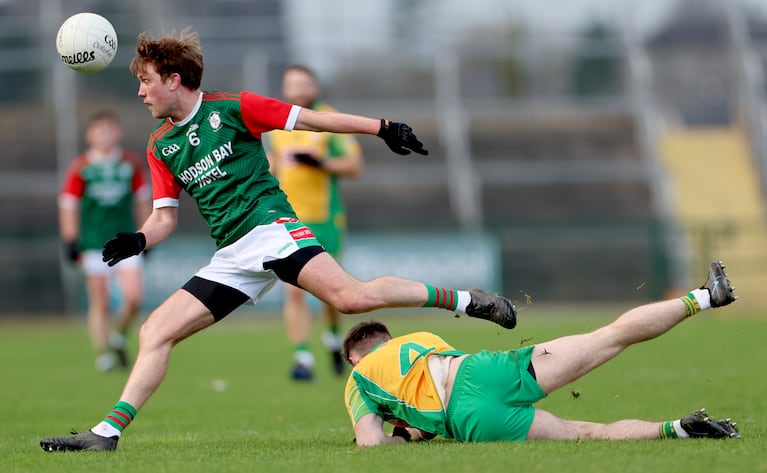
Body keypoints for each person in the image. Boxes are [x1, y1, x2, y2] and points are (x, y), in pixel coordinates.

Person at [39, 28, 516, 453]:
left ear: (173, 79)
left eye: (145, 80)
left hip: (271, 230)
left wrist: (382, 127)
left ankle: (467, 300)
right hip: (230, 254)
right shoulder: (160, 145)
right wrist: (140, 239)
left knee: (353, 298)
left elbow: (310, 119)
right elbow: (163, 219)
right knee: (154, 332)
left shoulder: (234, 108)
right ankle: (108, 434)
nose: (141, 92)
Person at [343, 261, 741, 445]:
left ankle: (678, 429)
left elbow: (371, 444)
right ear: (386, 336)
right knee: (610, 336)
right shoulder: (419, 339)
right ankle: (703, 297)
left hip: (469, 417)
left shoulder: (359, 380)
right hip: (483, 371)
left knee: (583, 433)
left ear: (355, 359)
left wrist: (407, 439)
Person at [265, 65, 364, 380]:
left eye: (303, 81)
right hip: (288, 218)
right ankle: (302, 357)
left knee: (331, 292)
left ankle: (334, 339)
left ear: (315, 86)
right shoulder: (276, 125)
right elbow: (271, 167)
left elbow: (354, 165)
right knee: (293, 289)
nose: (297, 87)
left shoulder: (328, 119)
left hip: (325, 218)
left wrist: (321, 163)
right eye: (291, 82)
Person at [58, 111, 151, 372]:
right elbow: (68, 205)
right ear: (89, 136)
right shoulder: (81, 167)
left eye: (109, 129)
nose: (104, 135)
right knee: (100, 300)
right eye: (98, 130)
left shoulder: (131, 164)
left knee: (134, 296)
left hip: (125, 242)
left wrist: (145, 235)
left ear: (118, 133)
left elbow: (143, 200)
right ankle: (103, 353)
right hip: (93, 243)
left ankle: (118, 335)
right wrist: (70, 240)